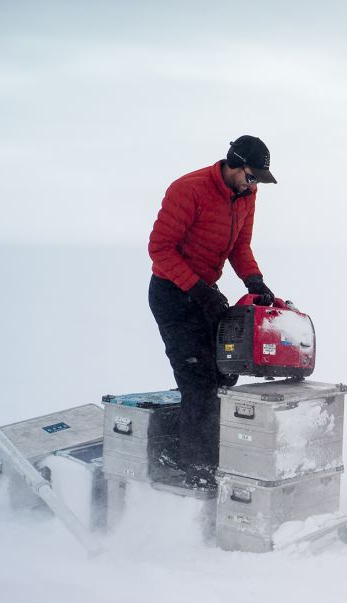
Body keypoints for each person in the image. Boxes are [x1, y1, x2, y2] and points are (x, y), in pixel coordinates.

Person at [147, 135, 278, 490]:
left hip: (205, 293)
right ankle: (199, 472)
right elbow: (159, 249)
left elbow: (240, 246)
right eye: (252, 176)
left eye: (259, 180)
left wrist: (255, 282)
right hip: (173, 294)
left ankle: (207, 452)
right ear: (233, 164)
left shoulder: (246, 195)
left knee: (224, 373)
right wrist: (197, 290)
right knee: (198, 382)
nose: (254, 185)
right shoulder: (188, 190)